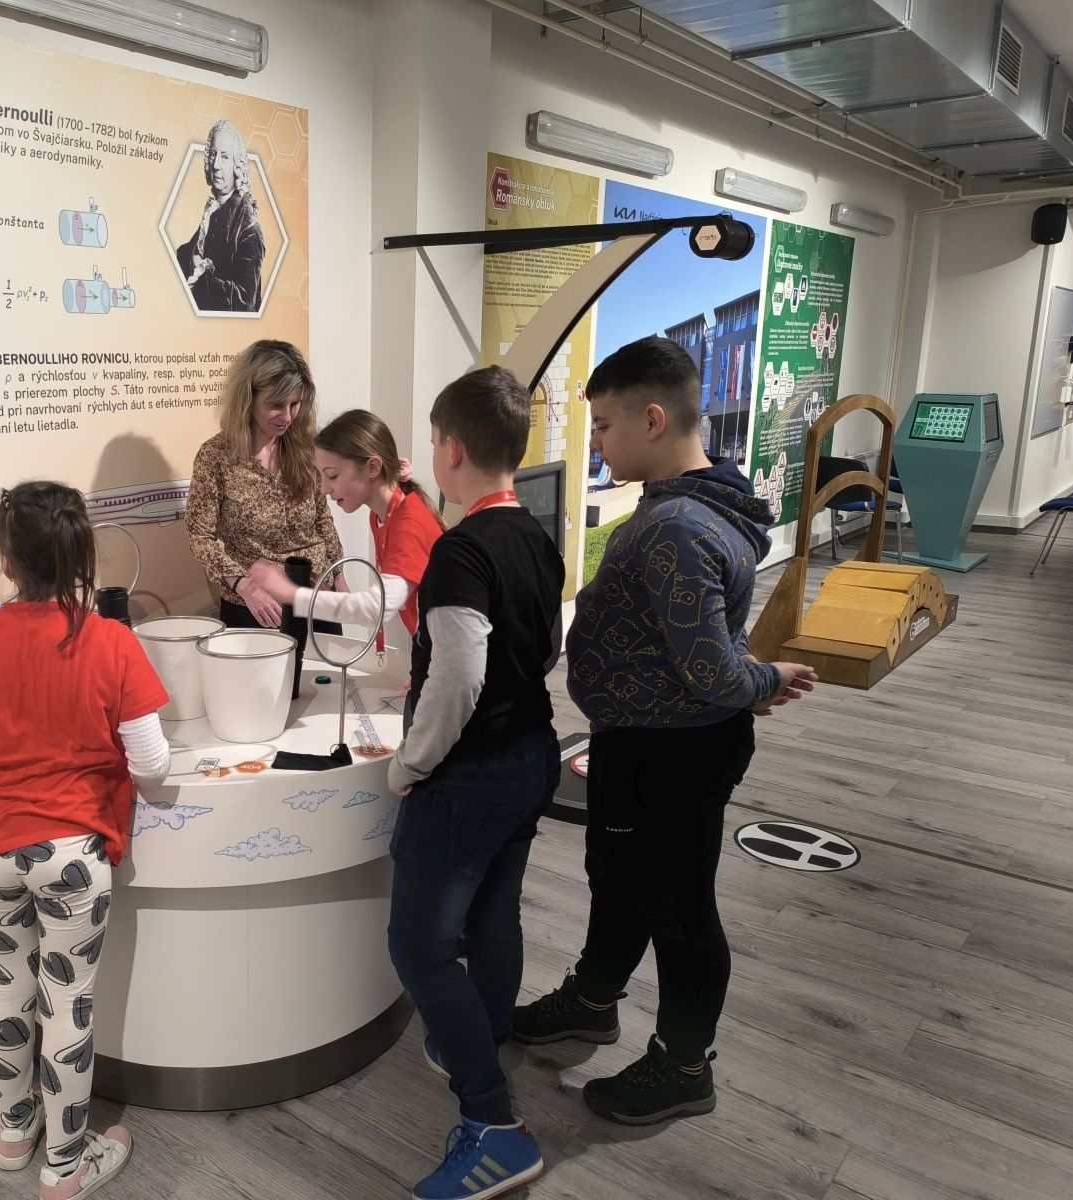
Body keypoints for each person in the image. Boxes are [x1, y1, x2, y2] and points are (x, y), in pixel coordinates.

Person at [513, 336, 817, 1125]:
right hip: (647, 736)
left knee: (678, 908)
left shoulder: (677, 524)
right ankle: (593, 999)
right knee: (619, 876)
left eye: (604, 426)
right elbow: (703, 641)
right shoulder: (692, 502)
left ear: (652, 419)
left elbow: (712, 668)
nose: (598, 444)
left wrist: (760, 683)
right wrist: (748, 680)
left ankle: (684, 1066)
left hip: (671, 750)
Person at [0, 481, 171, 1198]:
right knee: (69, 1005)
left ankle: (13, 1131)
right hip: (73, 855)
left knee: (8, 989)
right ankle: (65, 1166)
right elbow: (152, 763)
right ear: (82, 555)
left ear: (7, 560)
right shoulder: (111, 642)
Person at [385, 365, 564, 1200]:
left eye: (432, 441)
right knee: (494, 912)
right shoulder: (535, 536)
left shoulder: (460, 550)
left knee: (419, 946)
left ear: (450, 449)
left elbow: (457, 679)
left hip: (471, 774)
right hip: (532, 755)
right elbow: (540, 649)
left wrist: (410, 765)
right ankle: (481, 1036)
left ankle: (493, 1125)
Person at [244, 408, 442, 648]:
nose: (324, 489)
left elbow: (375, 608)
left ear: (372, 468)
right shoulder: (381, 516)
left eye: (332, 476)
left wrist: (290, 593)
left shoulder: (409, 523)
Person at [186, 339, 344, 631]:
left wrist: (340, 581)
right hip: (256, 606)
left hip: (316, 597)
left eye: (295, 404)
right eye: (276, 405)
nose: (287, 416)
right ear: (248, 399)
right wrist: (244, 585)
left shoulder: (306, 448)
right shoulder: (216, 456)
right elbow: (200, 536)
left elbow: (322, 519)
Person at [175, 119, 266, 313]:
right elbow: (187, 254)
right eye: (213, 154)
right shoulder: (214, 211)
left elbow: (244, 304)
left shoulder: (249, 229)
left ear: (236, 165)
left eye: (224, 157)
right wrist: (191, 261)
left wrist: (202, 277)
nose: (216, 164)